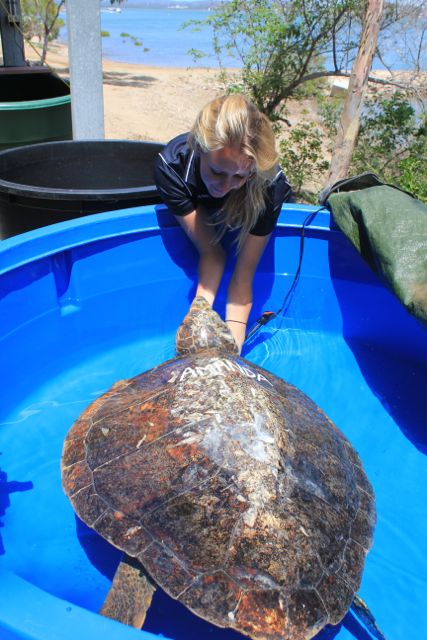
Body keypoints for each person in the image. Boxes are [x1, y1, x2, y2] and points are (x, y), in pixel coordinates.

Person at [153, 94, 293, 353]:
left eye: (239, 176)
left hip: (253, 203)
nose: (225, 186)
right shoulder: (172, 167)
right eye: (217, 172)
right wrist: (196, 330)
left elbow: (244, 273)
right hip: (195, 203)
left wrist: (232, 351)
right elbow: (212, 253)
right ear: (198, 148)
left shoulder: (269, 186)